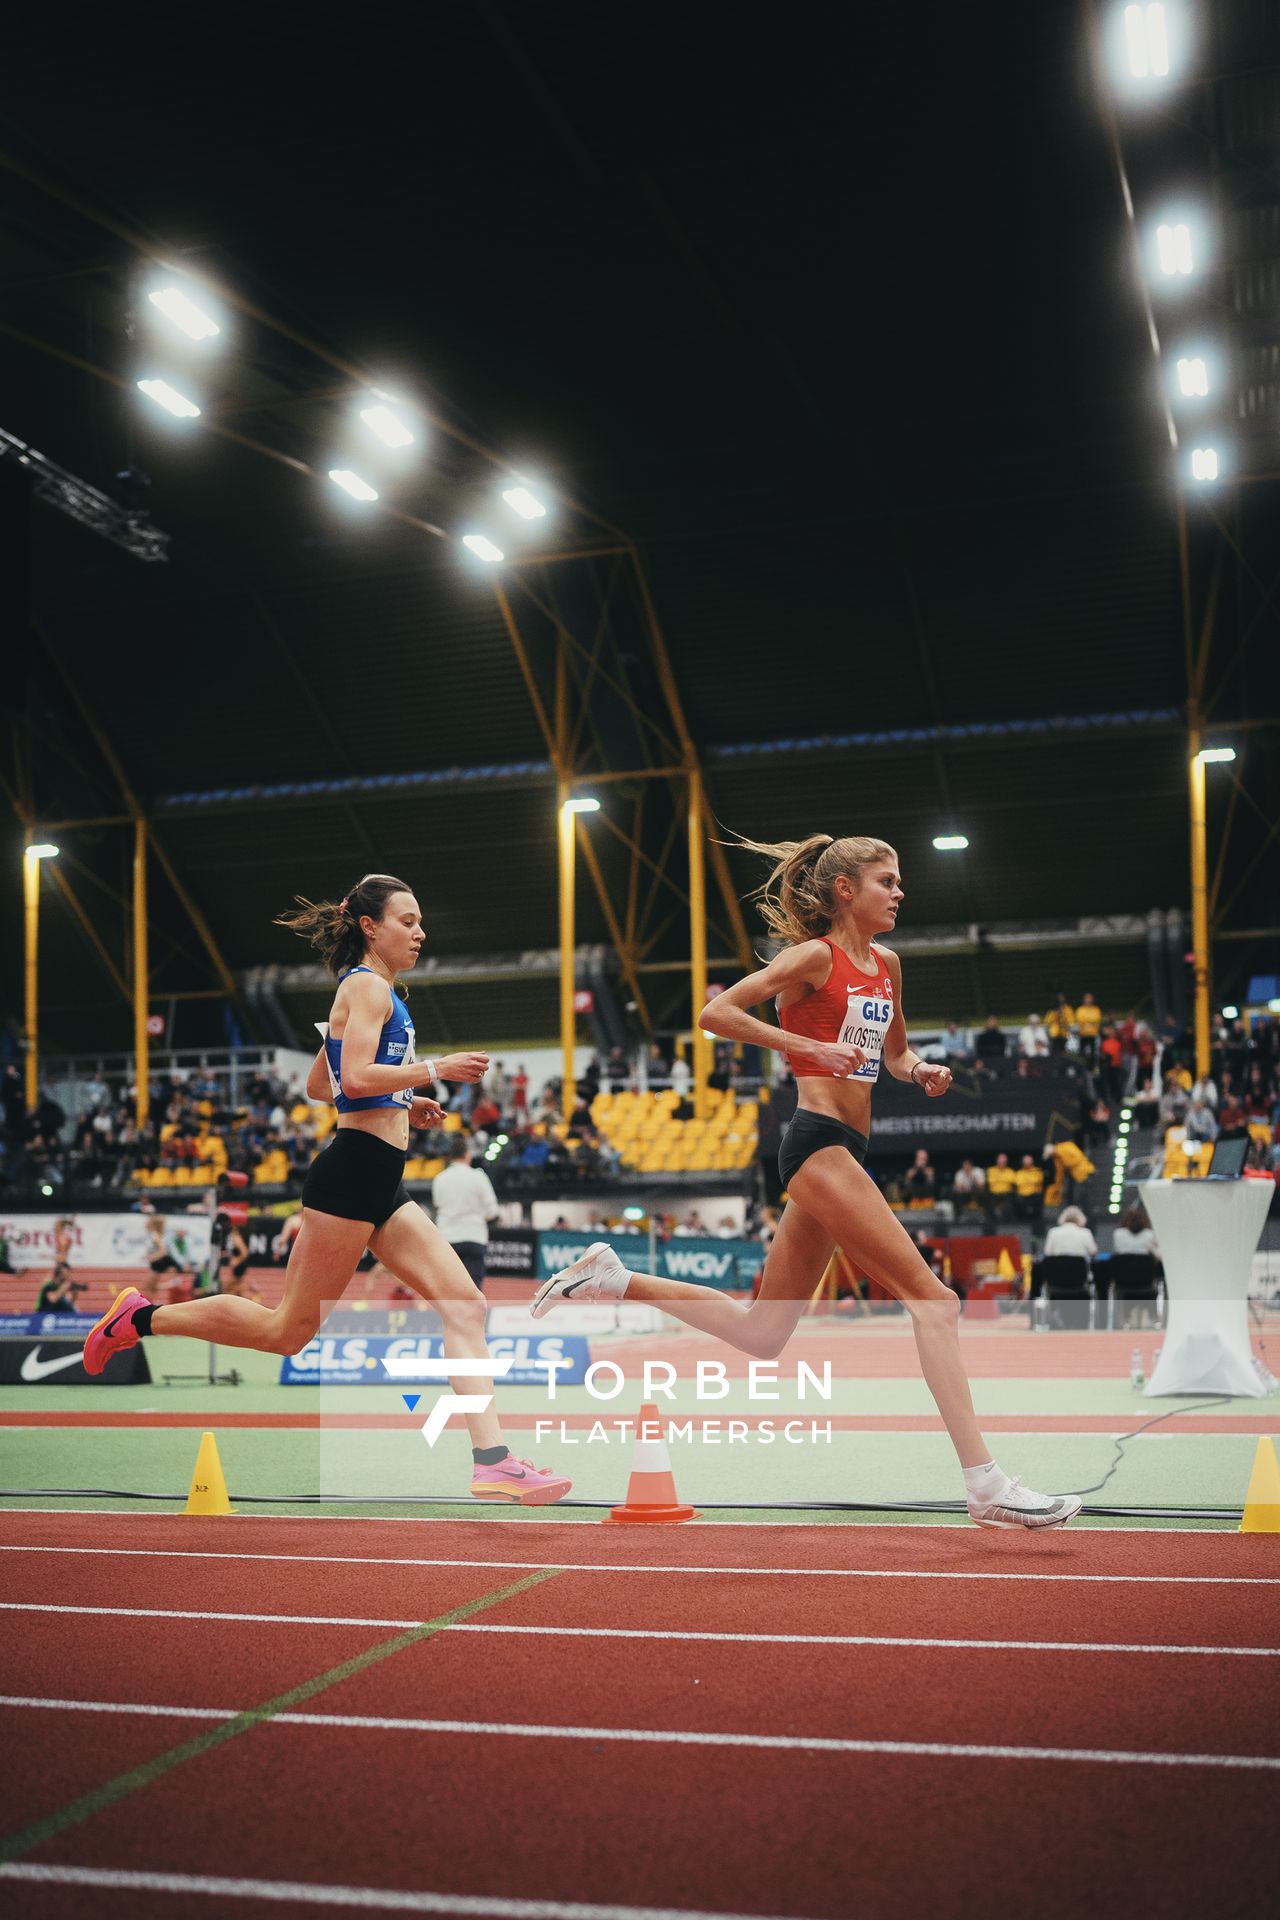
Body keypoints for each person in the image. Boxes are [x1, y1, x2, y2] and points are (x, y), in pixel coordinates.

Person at [531, 832, 1080, 1530]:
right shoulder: (812, 957)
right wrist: (807, 1045)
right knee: (935, 1302)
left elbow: (897, 1051)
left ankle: (612, 1277)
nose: (900, 891)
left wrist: (922, 1071)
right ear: (846, 889)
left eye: (899, 880)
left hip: (848, 1144)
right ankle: (986, 1484)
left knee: (763, 1333)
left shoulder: (887, 964)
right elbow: (715, 1014)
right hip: (815, 1144)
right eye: (887, 880)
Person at [83, 872, 570, 1506]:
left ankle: (493, 1462)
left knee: (464, 1304)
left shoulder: (376, 992)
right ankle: (138, 1319)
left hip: (381, 1178)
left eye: (421, 921)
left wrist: (405, 1098)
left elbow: (326, 1085)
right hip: (351, 1176)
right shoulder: (367, 987)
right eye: (407, 920)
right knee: (286, 1332)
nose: (420, 931)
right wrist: (434, 1070)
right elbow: (355, 1076)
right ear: (371, 927)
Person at [431, 1137, 499, 1290]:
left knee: (448, 1291)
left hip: (447, 1238)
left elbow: (437, 1205)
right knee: (473, 1292)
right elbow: (492, 1210)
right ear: (467, 1154)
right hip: (473, 1236)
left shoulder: (440, 1179)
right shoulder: (478, 1177)